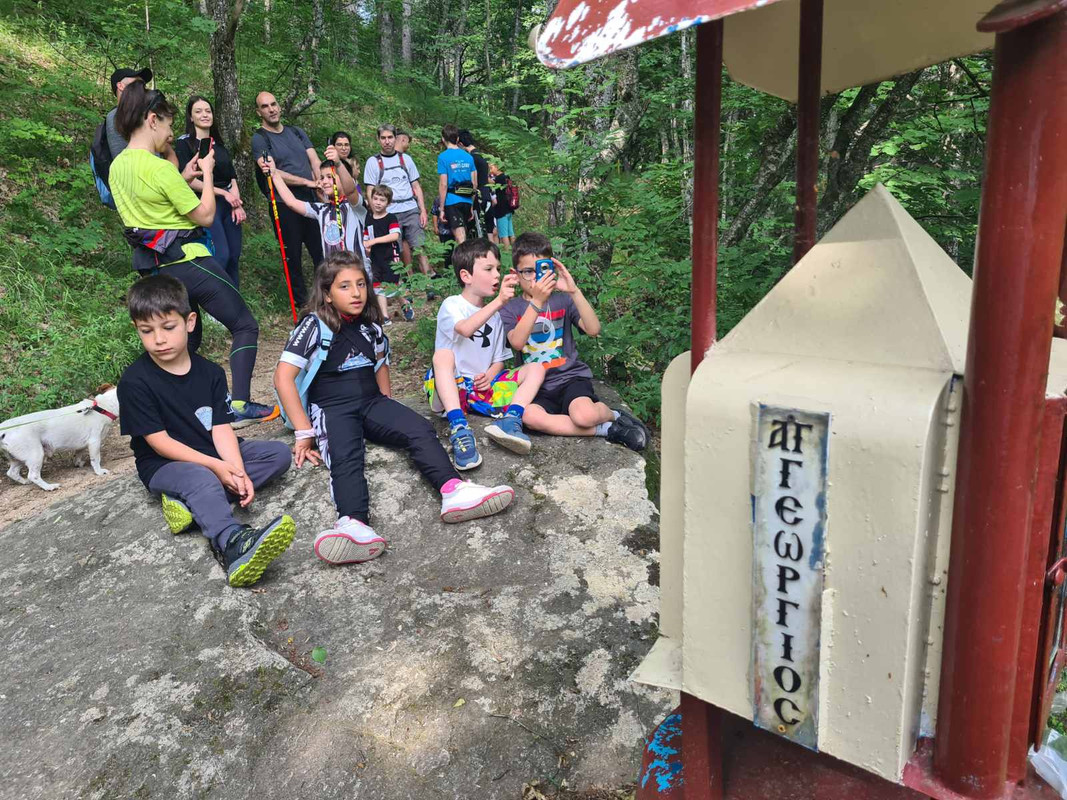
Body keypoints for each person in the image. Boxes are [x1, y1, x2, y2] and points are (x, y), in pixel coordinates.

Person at [273, 250, 516, 565]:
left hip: (372, 401)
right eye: (344, 286)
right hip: (332, 407)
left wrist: (389, 409)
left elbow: (380, 366)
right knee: (346, 456)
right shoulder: (314, 325)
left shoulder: (371, 327)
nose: (356, 293)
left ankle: (454, 490)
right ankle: (353, 524)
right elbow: (283, 377)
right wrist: (304, 432)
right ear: (327, 294)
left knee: (419, 428)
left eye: (361, 284)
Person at [108, 83, 278, 425]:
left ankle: (170, 410)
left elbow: (152, 206)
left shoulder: (117, 167)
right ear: (152, 120)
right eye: (169, 125)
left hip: (153, 269)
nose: (170, 133)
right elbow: (205, 215)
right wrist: (210, 173)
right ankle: (240, 405)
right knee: (244, 324)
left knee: (188, 338)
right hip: (189, 260)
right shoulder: (158, 168)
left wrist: (181, 175)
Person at [118, 274, 296, 587]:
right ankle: (231, 543)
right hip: (165, 464)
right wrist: (216, 467)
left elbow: (221, 428)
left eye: (168, 327)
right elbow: (159, 443)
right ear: (137, 329)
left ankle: (189, 503)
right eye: (147, 331)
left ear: (189, 322)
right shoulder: (135, 382)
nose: (158, 339)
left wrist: (236, 470)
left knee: (278, 454)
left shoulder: (211, 373)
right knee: (201, 477)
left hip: (211, 450)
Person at [500, 232, 649, 451]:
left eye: (541, 269)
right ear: (515, 274)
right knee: (529, 417)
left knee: (584, 415)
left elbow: (593, 329)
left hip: (570, 378)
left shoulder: (563, 300)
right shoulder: (510, 308)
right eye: (528, 271)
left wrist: (574, 291)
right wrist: (537, 302)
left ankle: (613, 414)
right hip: (536, 387)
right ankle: (607, 430)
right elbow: (518, 343)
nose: (535, 278)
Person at [426, 239, 544, 470]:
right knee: (442, 356)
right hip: (452, 390)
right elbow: (465, 329)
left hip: (483, 392)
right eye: (488, 269)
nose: (497, 275)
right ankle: (459, 428)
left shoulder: (496, 316)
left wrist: (490, 375)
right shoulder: (452, 305)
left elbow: (499, 360)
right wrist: (499, 301)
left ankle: (511, 420)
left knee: (536, 368)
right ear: (466, 276)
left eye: (498, 269)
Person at [252, 91, 323, 307]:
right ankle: (302, 305)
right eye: (265, 106)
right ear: (259, 112)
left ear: (280, 106)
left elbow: (314, 160)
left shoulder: (297, 132)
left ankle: (325, 298)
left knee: (321, 252)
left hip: (312, 200)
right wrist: (307, 182)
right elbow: (271, 171)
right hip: (282, 203)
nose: (271, 109)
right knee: (292, 256)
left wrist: (320, 182)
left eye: (273, 104)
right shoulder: (260, 139)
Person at [174, 96, 246, 289]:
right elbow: (189, 181)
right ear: (191, 117)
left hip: (229, 204)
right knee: (220, 255)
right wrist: (224, 194)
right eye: (198, 111)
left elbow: (232, 177)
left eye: (208, 111)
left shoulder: (219, 145)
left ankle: (234, 299)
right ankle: (214, 298)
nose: (204, 115)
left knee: (233, 256)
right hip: (206, 204)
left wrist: (236, 203)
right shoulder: (184, 144)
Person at [260, 147, 366, 266]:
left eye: (330, 177)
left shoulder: (356, 206)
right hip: (332, 273)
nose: (324, 181)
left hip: (357, 272)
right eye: (322, 178)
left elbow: (350, 191)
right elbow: (292, 202)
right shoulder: (322, 209)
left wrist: (338, 163)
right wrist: (274, 174)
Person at [362, 124, 430, 276]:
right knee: (394, 251)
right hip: (389, 213)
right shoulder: (373, 162)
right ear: (378, 139)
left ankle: (427, 281)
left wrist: (422, 210)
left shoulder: (406, 159)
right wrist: (376, 213)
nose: (387, 141)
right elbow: (370, 190)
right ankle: (402, 283)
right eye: (383, 138)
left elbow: (416, 186)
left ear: (395, 138)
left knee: (420, 247)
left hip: (410, 209)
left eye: (390, 137)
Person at [363, 184, 411, 322]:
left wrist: (374, 241)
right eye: (375, 199)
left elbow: (395, 235)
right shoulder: (368, 218)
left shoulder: (391, 218)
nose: (378, 202)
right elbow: (366, 236)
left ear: (388, 203)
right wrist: (366, 245)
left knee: (392, 284)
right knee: (378, 285)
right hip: (375, 258)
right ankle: (384, 316)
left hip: (390, 256)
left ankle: (405, 304)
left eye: (382, 200)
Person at [437, 124, 477, 245]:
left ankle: (466, 257)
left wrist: (441, 209)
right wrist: (471, 205)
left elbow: (443, 184)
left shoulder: (443, 157)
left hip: (452, 200)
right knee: (462, 234)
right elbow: (474, 183)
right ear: (457, 139)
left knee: (460, 238)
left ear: (443, 139)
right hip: (467, 200)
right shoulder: (468, 156)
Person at [105, 67, 152, 159]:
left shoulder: (145, 111)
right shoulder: (115, 116)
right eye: (137, 83)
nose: (142, 88)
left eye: (143, 85)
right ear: (120, 86)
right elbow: (120, 157)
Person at [458, 129, 495, 241]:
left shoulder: (471, 158)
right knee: (488, 231)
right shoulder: (482, 156)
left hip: (478, 198)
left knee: (476, 232)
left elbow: (473, 182)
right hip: (487, 195)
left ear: (461, 144)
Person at [490, 163, 516, 248]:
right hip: (509, 209)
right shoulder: (506, 177)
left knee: (503, 234)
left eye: (491, 168)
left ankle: (507, 252)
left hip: (501, 211)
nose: (490, 170)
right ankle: (515, 250)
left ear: (497, 167)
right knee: (511, 232)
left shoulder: (499, 178)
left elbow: (491, 183)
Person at [430, 196, 455, 270]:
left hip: (455, 229)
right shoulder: (438, 199)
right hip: (443, 230)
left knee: (455, 249)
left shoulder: (454, 197)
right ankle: (447, 269)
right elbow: (434, 213)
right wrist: (435, 226)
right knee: (446, 251)